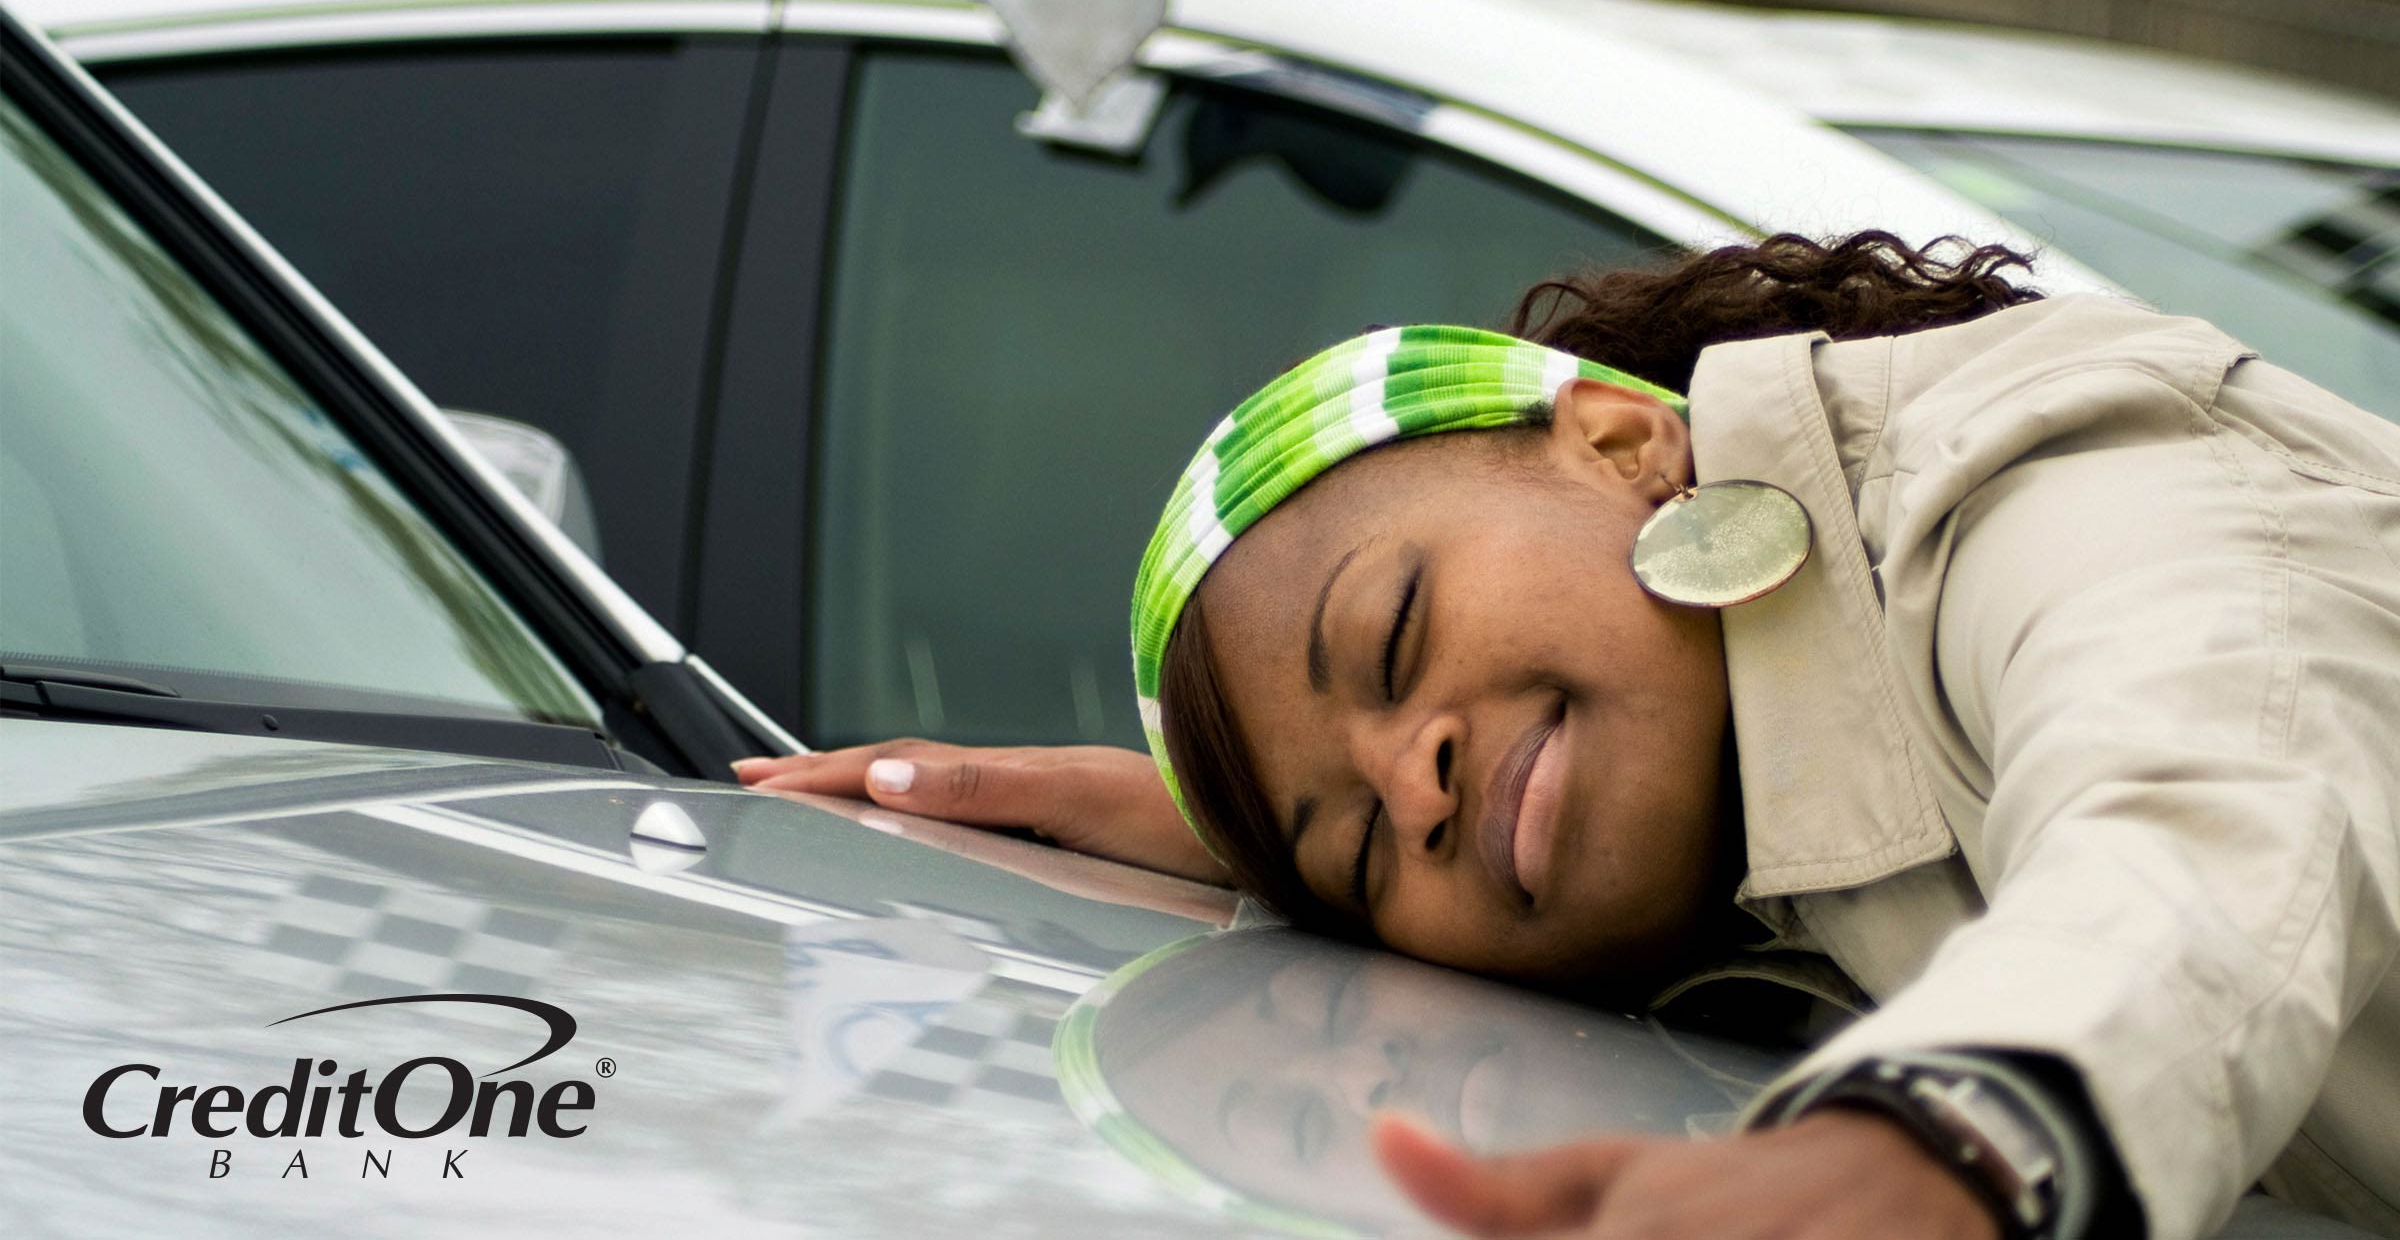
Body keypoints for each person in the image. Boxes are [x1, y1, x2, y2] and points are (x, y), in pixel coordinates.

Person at [739, 233, 2400, 1240]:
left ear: (1616, 440)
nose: (1416, 781)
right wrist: (1238, 836)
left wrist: (1947, 1142)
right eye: (1362, 845)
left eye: (1391, 639)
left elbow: (2211, 809)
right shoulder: (1725, 857)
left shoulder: (2042, 485)